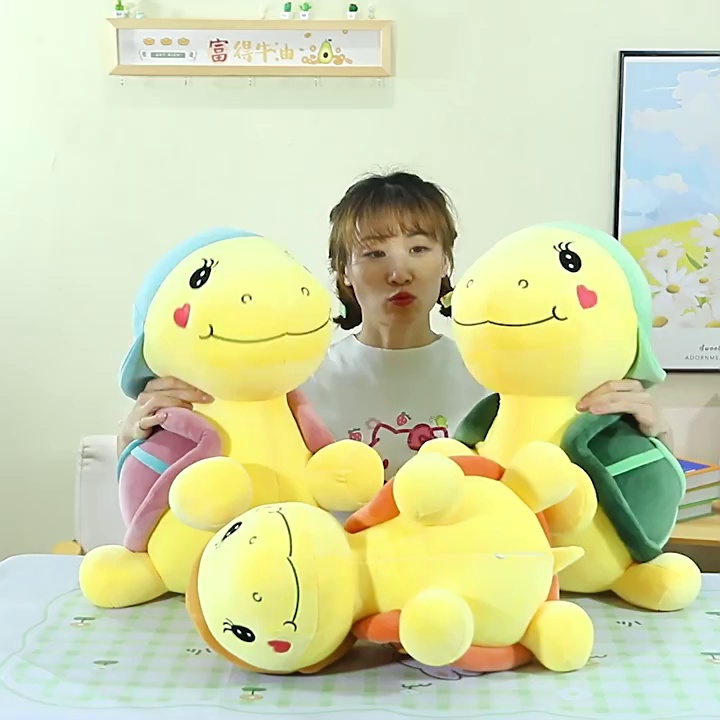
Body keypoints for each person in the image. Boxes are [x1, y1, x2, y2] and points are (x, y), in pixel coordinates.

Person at [116, 171, 672, 482]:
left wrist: (650, 434)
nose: (399, 271)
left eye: (419, 248)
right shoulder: (290, 381)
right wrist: (138, 433)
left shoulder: (500, 377)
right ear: (343, 272)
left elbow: (576, 481)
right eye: (373, 253)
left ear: (447, 262)